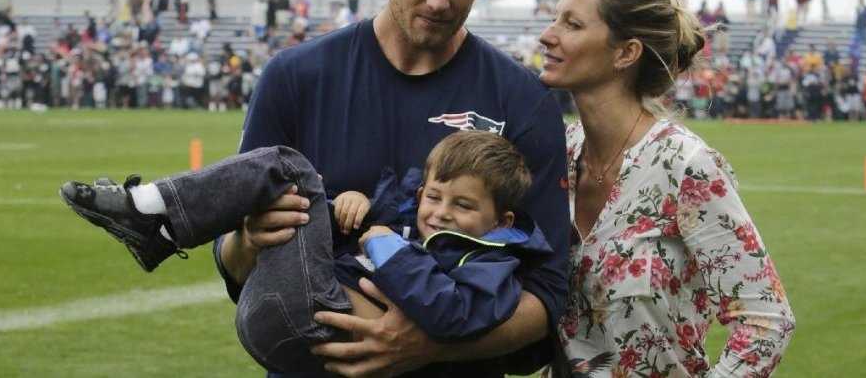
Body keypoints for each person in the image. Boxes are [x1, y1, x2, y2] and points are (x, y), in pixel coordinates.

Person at [216, 0, 569, 378]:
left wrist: (430, 346)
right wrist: (247, 239)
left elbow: (548, 292)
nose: (438, 1)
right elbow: (233, 265)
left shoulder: (523, 101)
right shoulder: (295, 78)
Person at [58, 131, 552, 373]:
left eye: (463, 205)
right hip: (283, 306)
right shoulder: (404, 223)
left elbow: (450, 313)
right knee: (296, 186)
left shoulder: (493, 261)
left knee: (291, 169)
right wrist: (344, 210)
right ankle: (156, 219)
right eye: (434, 197)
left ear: (502, 221)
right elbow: (343, 243)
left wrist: (383, 241)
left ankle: (155, 220)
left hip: (315, 323)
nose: (441, 213)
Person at [538, 0, 795, 376]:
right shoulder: (555, 154)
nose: (548, 34)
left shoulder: (684, 166)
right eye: (554, 18)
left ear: (626, 53)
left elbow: (766, 320)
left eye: (572, 24)